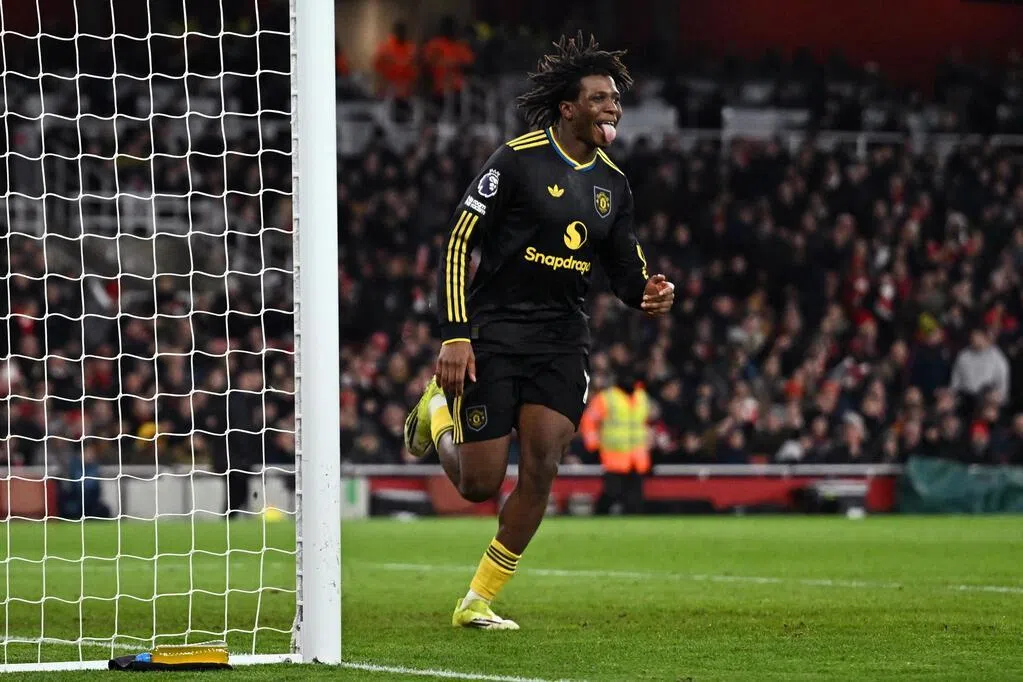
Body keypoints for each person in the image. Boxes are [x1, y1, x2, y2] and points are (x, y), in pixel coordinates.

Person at [404, 32, 675, 629]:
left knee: (543, 465)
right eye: (600, 98)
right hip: (496, 333)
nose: (613, 108)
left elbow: (625, 272)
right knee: (478, 484)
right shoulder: (516, 159)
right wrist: (456, 334)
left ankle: (477, 600)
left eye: (615, 99)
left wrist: (649, 292)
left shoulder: (613, 185)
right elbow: (459, 241)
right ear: (568, 108)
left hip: (561, 340)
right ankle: (437, 414)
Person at [579, 364, 651, 515]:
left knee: (635, 501)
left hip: (637, 458)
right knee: (611, 494)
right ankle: (598, 517)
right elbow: (588, 421)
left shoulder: (641, 396)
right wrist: (593, 444)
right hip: (614, 456)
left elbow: (645, 423)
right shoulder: (607, 398)